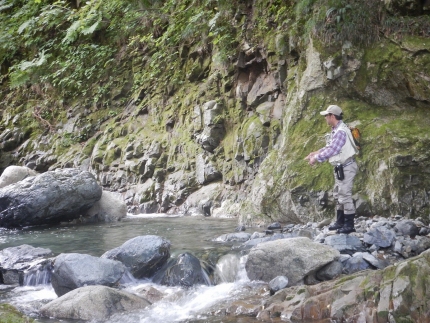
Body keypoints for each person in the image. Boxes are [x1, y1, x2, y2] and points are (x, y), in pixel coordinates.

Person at [304, 105, 359, 234]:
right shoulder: (337, 129)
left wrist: (316, 158)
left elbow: (333, 150)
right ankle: (340, 222)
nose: (325, 118)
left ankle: (349, 225)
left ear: (332, 116)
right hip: (340, 168)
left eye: (326, 116)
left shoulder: (340, 132)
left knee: (345, 194)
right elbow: (329, 146)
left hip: (346, 167)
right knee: (338, 194)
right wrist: (315, 153)